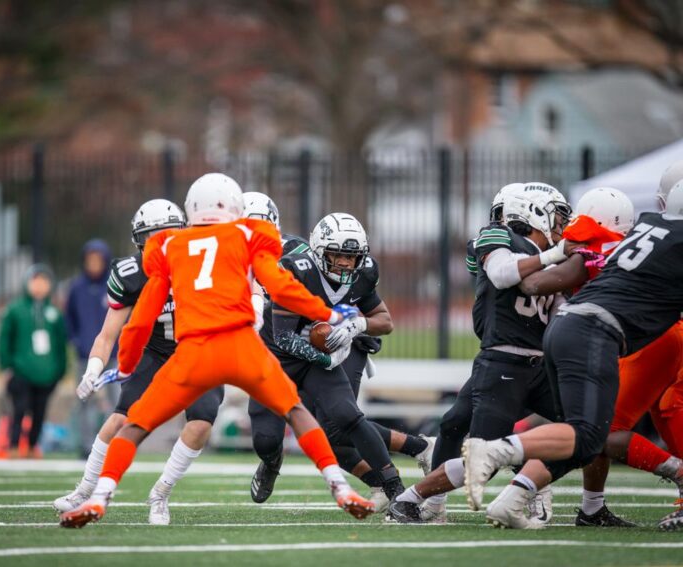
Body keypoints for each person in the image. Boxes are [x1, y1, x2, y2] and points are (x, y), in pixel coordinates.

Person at [59, 173, 374, 528]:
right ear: (235, 207)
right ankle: (340, 486)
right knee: (295, 410)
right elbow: (282, 289)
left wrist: (128, 362)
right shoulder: (248, 234)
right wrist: (329, 313)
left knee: (134, 424)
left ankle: (100, 496)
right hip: (240, 344)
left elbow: (141, 318)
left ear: (191, 209)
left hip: (193, 351)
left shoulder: (169, 246)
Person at [462, 181, 683, 532]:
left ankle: (515, 498)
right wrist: (553, 258)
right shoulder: (613, 240)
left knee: (587, 435)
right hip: (596, 331)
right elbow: (531, 283)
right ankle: (495, 451)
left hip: (575, 328)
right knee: (593, 431)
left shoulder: (646, 227)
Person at [388, 182, 573, 524]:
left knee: (586, 431)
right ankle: (414, 499)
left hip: (540, 366)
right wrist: (554, 257)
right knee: (477, 449)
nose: (562, 225)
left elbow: (562, 309)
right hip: (503, 361)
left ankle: (535, 487)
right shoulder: (499, 237)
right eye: (557, 216)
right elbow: (502, 275)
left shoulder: (554, 256)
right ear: (531, 212)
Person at [55, 199, 225, 525]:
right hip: (157, 352)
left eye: (170, 234)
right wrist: (94, 367)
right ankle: (85, 489)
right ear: (139, 241)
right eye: (154, 236)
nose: (162, 242)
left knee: (201, 423)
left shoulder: (203, 262)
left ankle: (161, 493)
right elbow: (107, 334)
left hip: (201, 349)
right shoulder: (131, 273)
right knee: (120, 420)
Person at [248, 211, 431, 511]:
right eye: (338, 255)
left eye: (352, 256)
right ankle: (270, 462)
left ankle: (394, 487)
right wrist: (327, 355)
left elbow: (383, 319)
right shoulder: (296, 269)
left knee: (347, 417)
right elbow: (282, 338)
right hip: (277, 358)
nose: (346, 263)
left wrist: (357, 326)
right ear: (320, 251)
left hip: (321, 358)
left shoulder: (364, 274)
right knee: (266, 440)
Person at [0, 264, 67, 458]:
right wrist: (7, 366)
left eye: (44, 282)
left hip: (46, 373)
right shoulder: (15, 310)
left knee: (40, 412)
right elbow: (4, 340)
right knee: (19, 409)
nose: (39, 286)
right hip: (21, 370)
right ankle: (13, 444)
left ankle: (32, 446)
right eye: (35, 281)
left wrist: (59, 370)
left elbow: (61, 343)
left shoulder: (54, 313)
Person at [66, 238, 115, 457]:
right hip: (84, 356)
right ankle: (85, 446)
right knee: (83, 400)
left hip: (113, 355)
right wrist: (76, 341)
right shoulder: (76, 288)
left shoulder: (114, 284)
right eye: (90, 260)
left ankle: (111, 445)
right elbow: (69, 319)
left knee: (115, 402)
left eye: (98, 259)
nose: (94, 264)